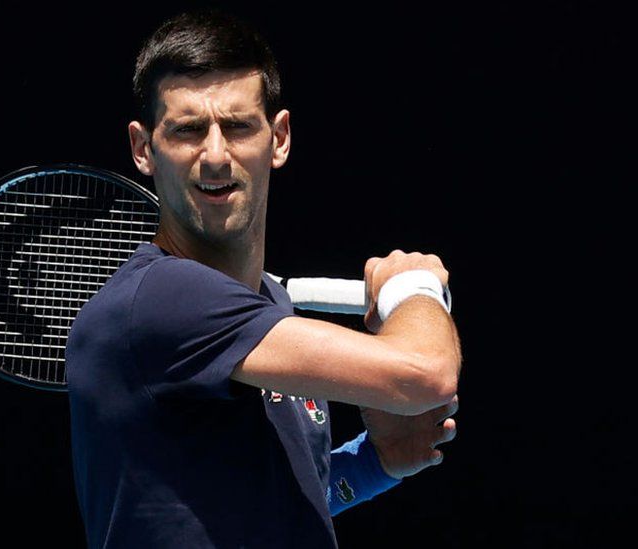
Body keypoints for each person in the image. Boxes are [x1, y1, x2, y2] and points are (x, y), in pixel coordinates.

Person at [66, 9, 462, 548]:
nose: (214, 156)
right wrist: (412, 285)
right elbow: (426, 375)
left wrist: (376, 462)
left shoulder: (269, 305)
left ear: (278, 138)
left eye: (237, 126)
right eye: (186, 130)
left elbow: (278, 507)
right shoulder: (162, 299)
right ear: (143, 148)